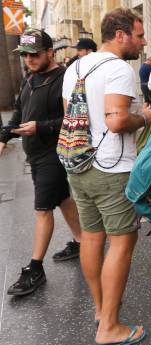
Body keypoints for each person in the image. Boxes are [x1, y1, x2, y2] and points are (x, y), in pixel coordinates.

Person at [62, 8, 151, 345]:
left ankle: (100, 309)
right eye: (139, 34)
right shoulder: (119, 68)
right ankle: (109, 328)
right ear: (120, 34)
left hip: (79, 165)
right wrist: (144, 117)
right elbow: (117, 121)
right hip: (112, 168)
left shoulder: (75, 66)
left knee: (92, 236)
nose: (143, 41)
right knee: (121, 243)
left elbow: (72, 119)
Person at [0, 29, 82, 297]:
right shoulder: (30, 80)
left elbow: (74, 118)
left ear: (50, 52)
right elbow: (19, 114)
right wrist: (4, 137)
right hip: (35, 154)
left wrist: (41, 128)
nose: (29, 59)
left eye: (34, 54)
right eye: (25, 54)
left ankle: (35, 268)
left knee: (42, 209)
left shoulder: (64, 78)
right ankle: (82, 241)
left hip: (54, 154)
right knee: (62, 198)